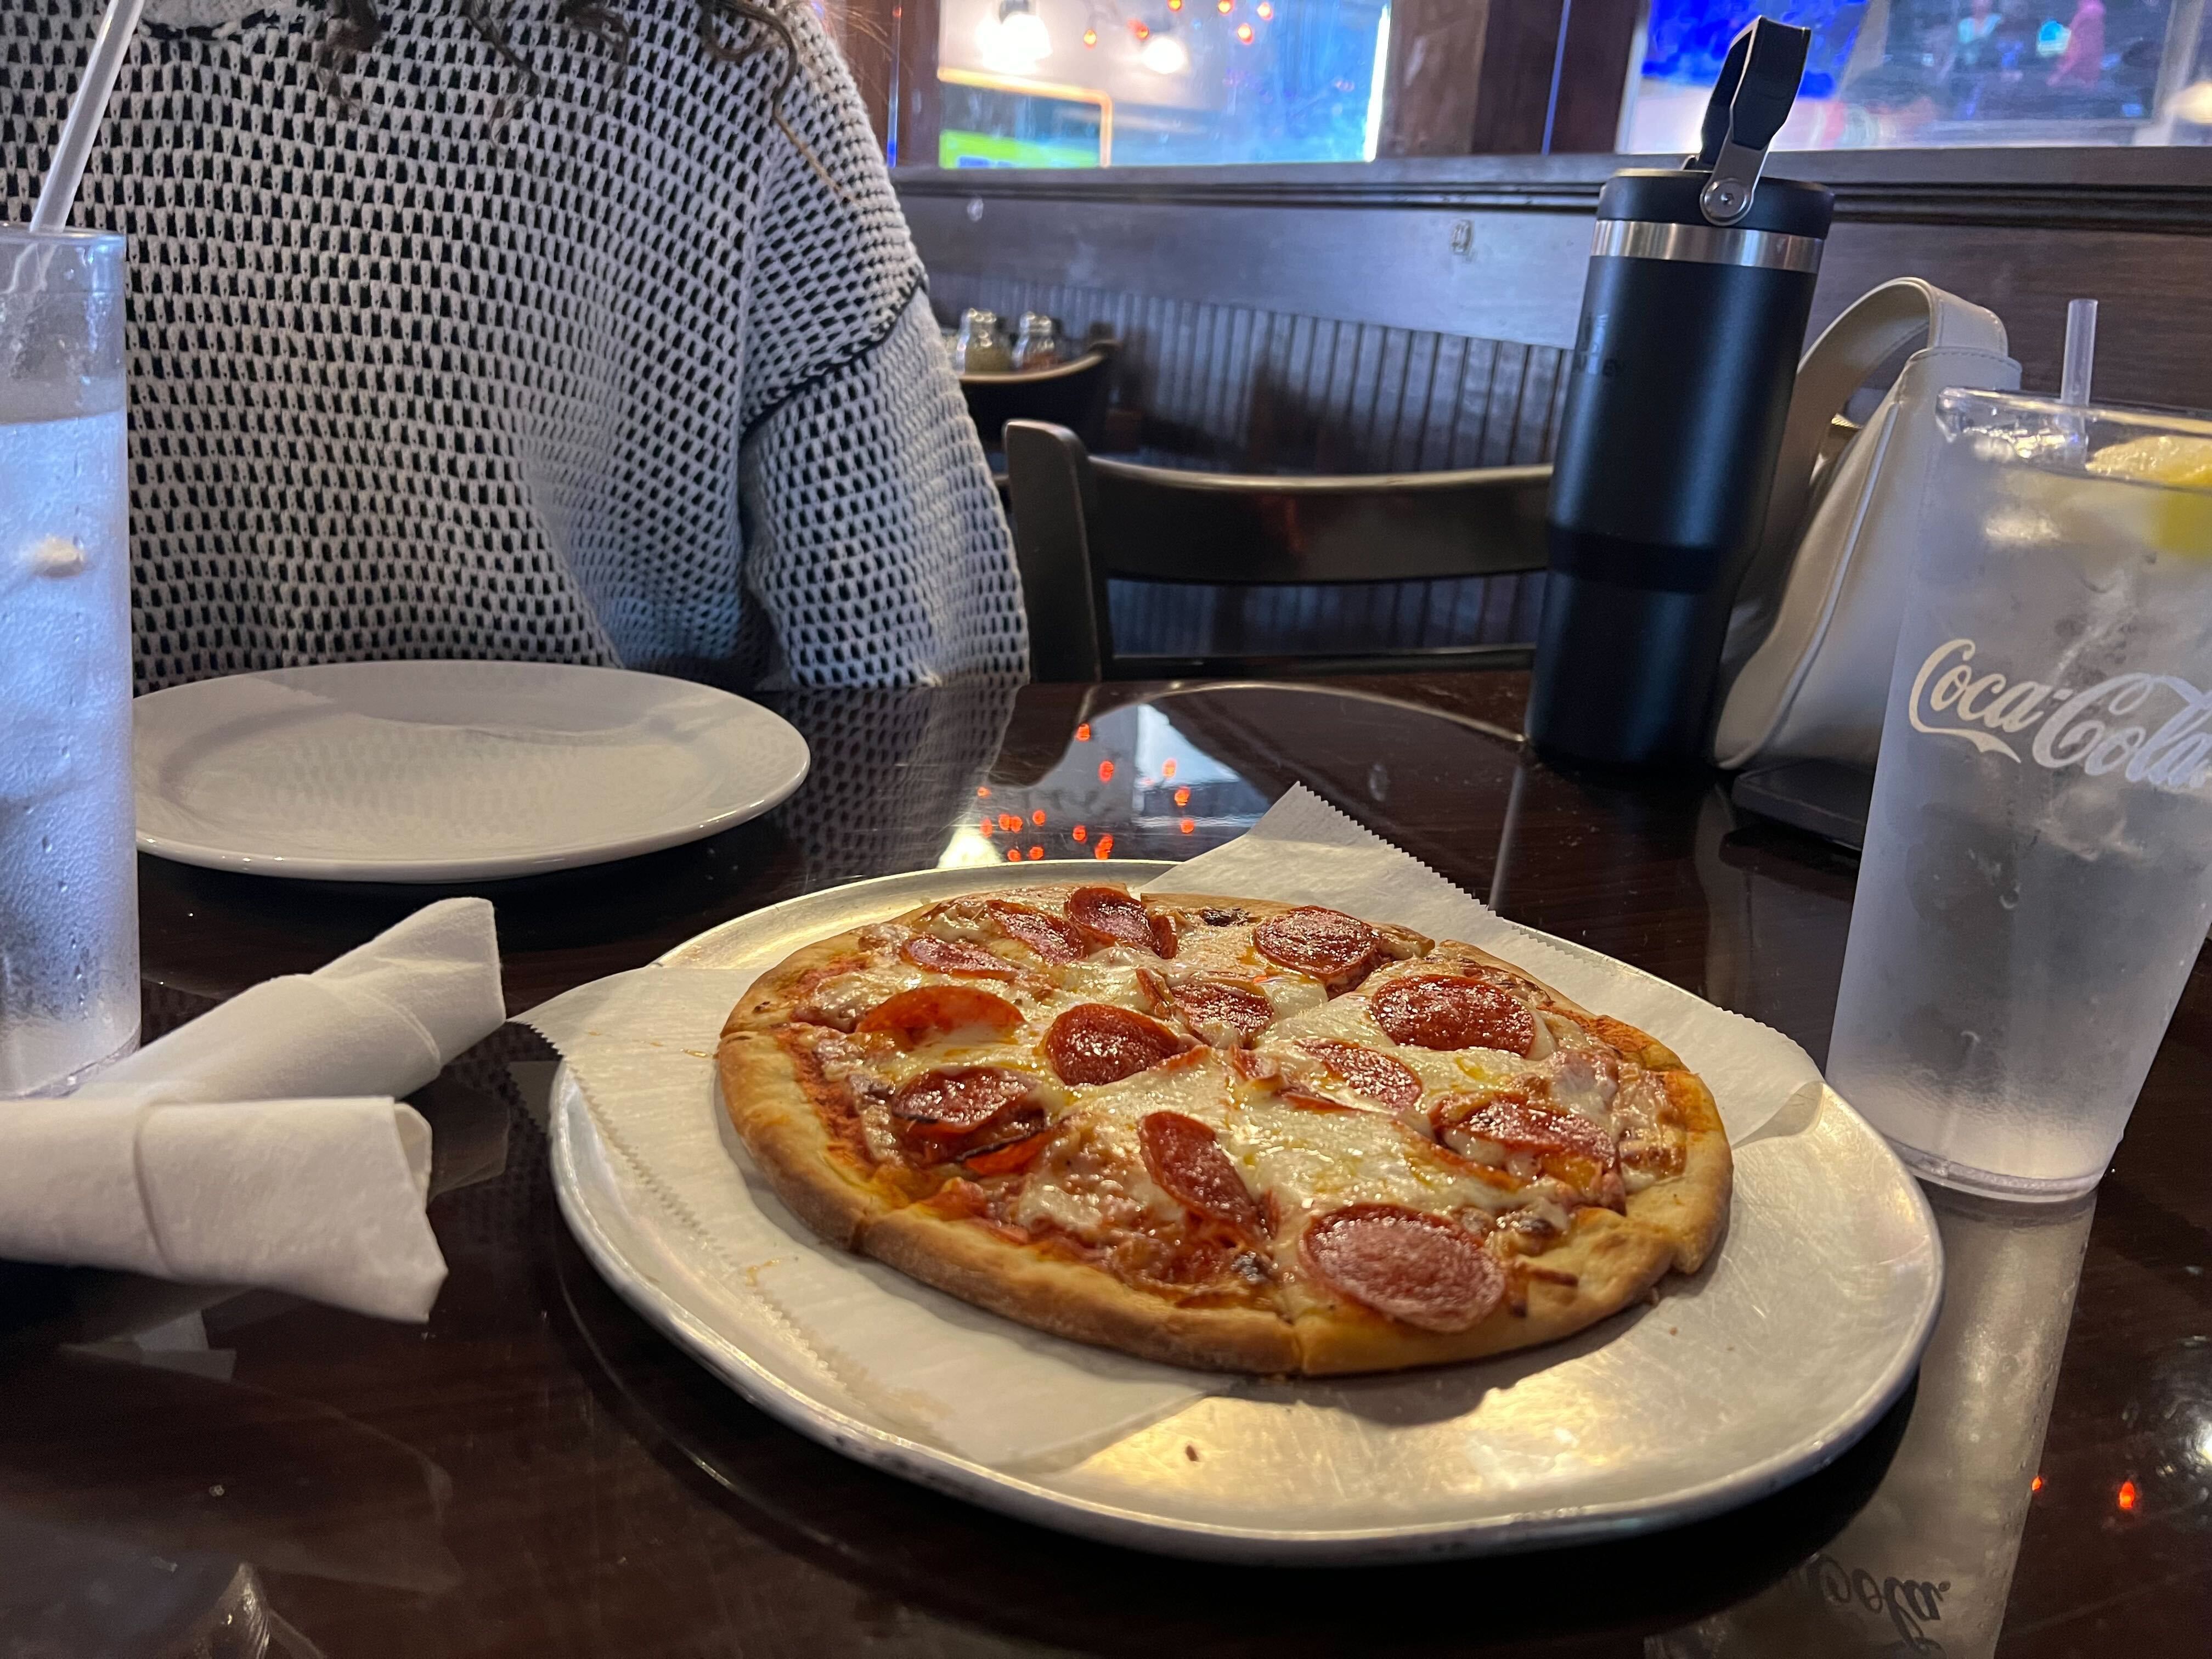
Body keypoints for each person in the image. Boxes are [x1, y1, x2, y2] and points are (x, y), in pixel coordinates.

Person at [1, 1, 1028, 693]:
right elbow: (904, 657)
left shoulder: (717, 55)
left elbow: (903, 647)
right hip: (614, 910)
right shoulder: (720, 49)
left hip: (610, 915)